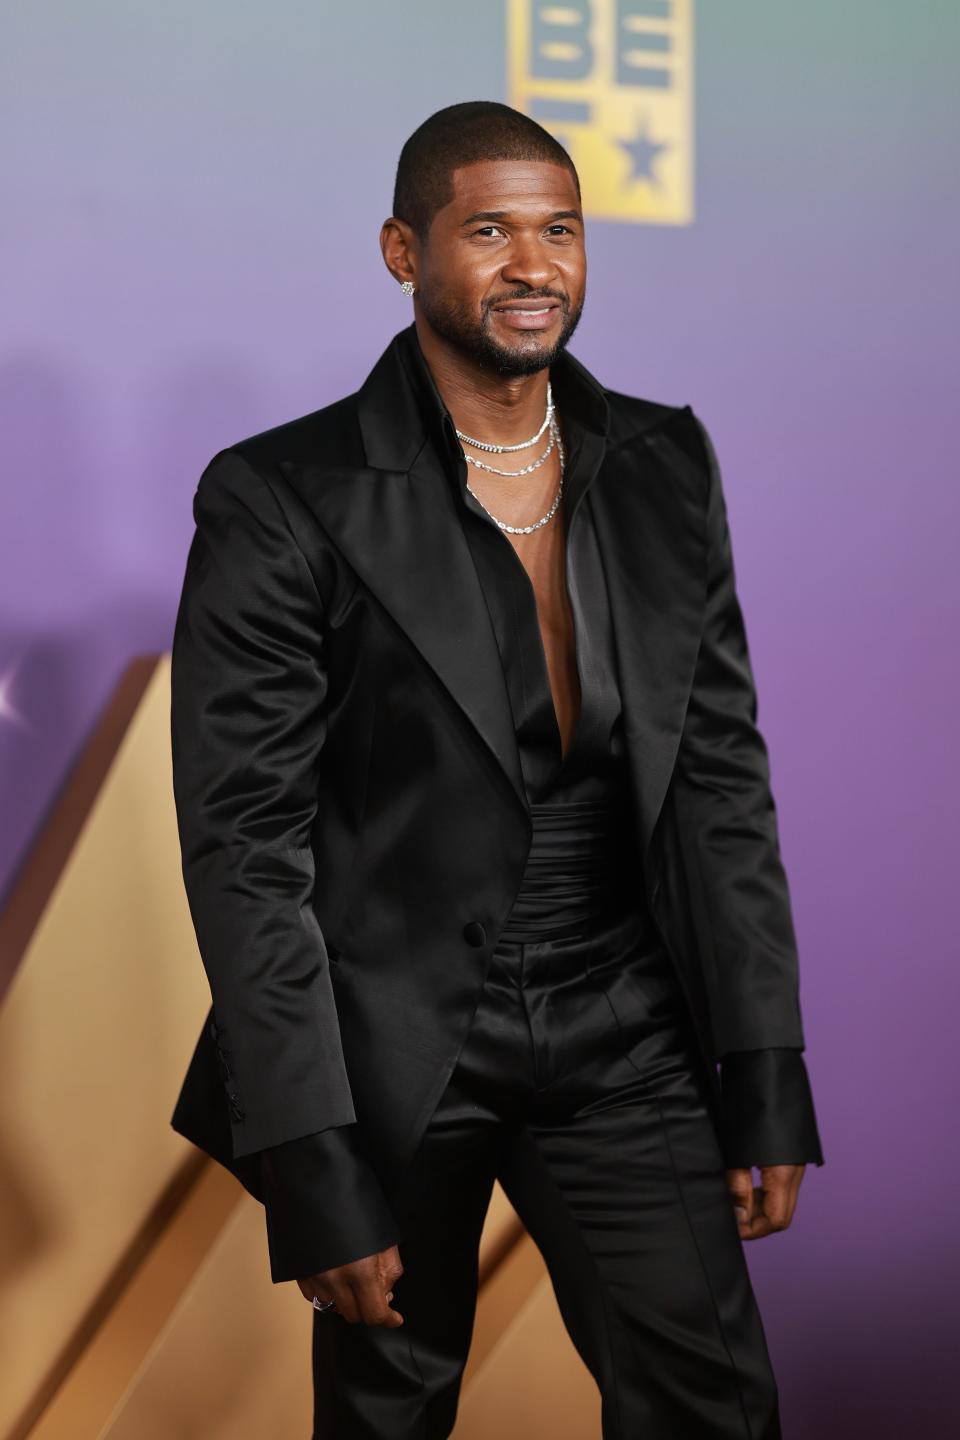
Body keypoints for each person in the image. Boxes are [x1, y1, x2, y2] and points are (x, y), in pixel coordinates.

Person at [168, 100, 824, 1439]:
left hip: (622, 1021)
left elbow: (718, 785)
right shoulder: (286, 494)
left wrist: (762, 1068)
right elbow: (247, 846)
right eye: (490, 230)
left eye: (561, 229)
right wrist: (313, 1157)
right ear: (405, 252)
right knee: (390, 1413)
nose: (536, 265)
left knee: (716, 1407)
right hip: (391, 1040)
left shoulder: (660, 463)